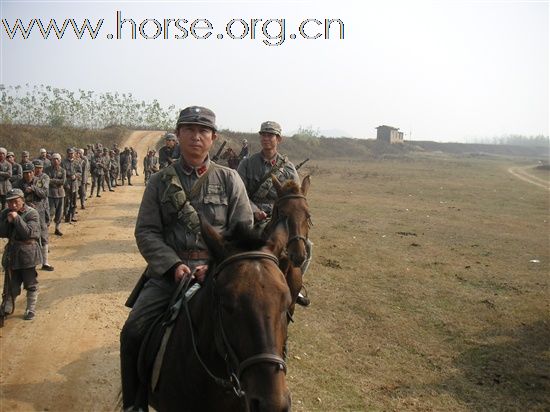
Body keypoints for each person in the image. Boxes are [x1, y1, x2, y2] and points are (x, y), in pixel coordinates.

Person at [120, 106, 253, 411]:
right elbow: (147, 232)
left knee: (254, 332)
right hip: (169, 275)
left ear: (213, 137)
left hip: (217, 273)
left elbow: (242, 232)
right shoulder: (160, 181)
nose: (196, 136)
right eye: (189, 130)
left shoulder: (231, 180)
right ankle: (135, 404)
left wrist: (217, 265)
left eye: (203, 131)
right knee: (133, 332)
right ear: (178, 135)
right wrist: (172, 266)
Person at [237, 121, 312, 306]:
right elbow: (240, 193)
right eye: (263, 135)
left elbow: (296, 197)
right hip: (254, 214)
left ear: (279, 139)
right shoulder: (247, 164)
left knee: (306, 246)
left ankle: (296, 285)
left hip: (283, 217)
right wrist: (255, 211)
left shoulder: (288, 168)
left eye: (270, 135)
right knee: (243, 244)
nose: (266, 138)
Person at [0, 188, 42, 321]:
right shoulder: (6, 212)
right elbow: (2, 232)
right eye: (9, 202)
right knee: (11, 282)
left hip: (28, 253)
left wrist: (17, 219)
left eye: (15, 202)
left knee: (30, 283)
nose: (12, 205)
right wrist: (7, 221)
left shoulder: (32, 213)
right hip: (12, 253)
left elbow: (28, 233)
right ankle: (7, 307)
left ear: (22, 200)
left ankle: (30, 308)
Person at [16, 161, 53, 271]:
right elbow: (15, 198)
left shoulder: (39, 181)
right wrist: (25, 205)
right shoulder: (18, 183)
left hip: (40, 212)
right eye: (26, 173)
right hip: (25, 214)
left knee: (43, 235)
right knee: (28, 236)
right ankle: (30, 262)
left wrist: (33, 189)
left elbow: (45, 194)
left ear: (33, 172)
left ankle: (45, 262)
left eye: (30, 172)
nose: (28, 175)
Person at [45, 153, 66, 236]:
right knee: (50, 212)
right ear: (51, 160)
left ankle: (57, 228)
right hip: (51, 194)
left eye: (57, 159)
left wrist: (52, 180)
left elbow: (63, 182)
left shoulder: (63, 170)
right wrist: (56, 181)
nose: (55, 161)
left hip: (61, 194)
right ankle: (46, 228)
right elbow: (47, 180)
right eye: (54, 159)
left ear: (60, 161)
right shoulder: (47, 170)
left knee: (59, 212)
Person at [61, 148, 82, 223]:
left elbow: (80, 172)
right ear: (67, 154)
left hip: (75, 185)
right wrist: (65, 183)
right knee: (66, 202)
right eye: (69, 153)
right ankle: (66, 216)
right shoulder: (63, 162)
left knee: (74, 202)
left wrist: (76, 175)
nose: (71, 155)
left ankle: (72, 215)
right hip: (66, 184)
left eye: (72, 153)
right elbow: (61, 173)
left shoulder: (77, 162)